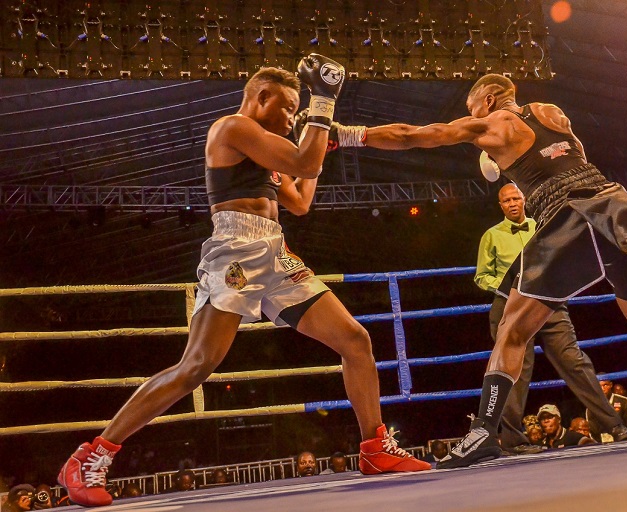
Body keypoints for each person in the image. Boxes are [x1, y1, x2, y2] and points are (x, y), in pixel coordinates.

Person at [306, 73, 627, 467]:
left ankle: (484, 431)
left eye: (471, 107)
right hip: (618, 207)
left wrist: (347, 135)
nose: (471, 115)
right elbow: (573, 152)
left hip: (569, 215)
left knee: (512, 329)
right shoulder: (550, 111)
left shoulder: (493, 122)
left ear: (486, 100)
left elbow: (414, 135)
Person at [57, 54, 429, 508]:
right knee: (196, 366)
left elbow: (300, 200)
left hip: (275, 250)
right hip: (235, 249)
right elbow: (303, 161)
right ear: (262, 96)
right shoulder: (233, 128)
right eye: (289, 107)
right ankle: (92, 455)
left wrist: (320, 146)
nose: (293, 117)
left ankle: (374, 448)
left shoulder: (269, 151)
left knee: (355, 339)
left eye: (298, 110)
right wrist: (323, 102)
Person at [475, 183, 627, 453]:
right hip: (511, 308)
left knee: (574, 361)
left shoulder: (542, 225)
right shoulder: (491, 236)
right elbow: (481, 276)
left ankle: (612, 425)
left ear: (524, 199)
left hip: (550, 304)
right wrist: (510, 288)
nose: (512, 203)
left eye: (516, 198)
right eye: (506, 201)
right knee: (514, 373)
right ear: (500, 205)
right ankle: (512, 440)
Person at [586, 376, 627, 441]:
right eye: (599, 386)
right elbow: (591, 429)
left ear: (611, 385)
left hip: (623, 440)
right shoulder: (592, 405)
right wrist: (599, 445)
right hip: (602, 444)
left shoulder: (623, 401)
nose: (602, 388)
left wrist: (626, 440)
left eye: (605, 385)